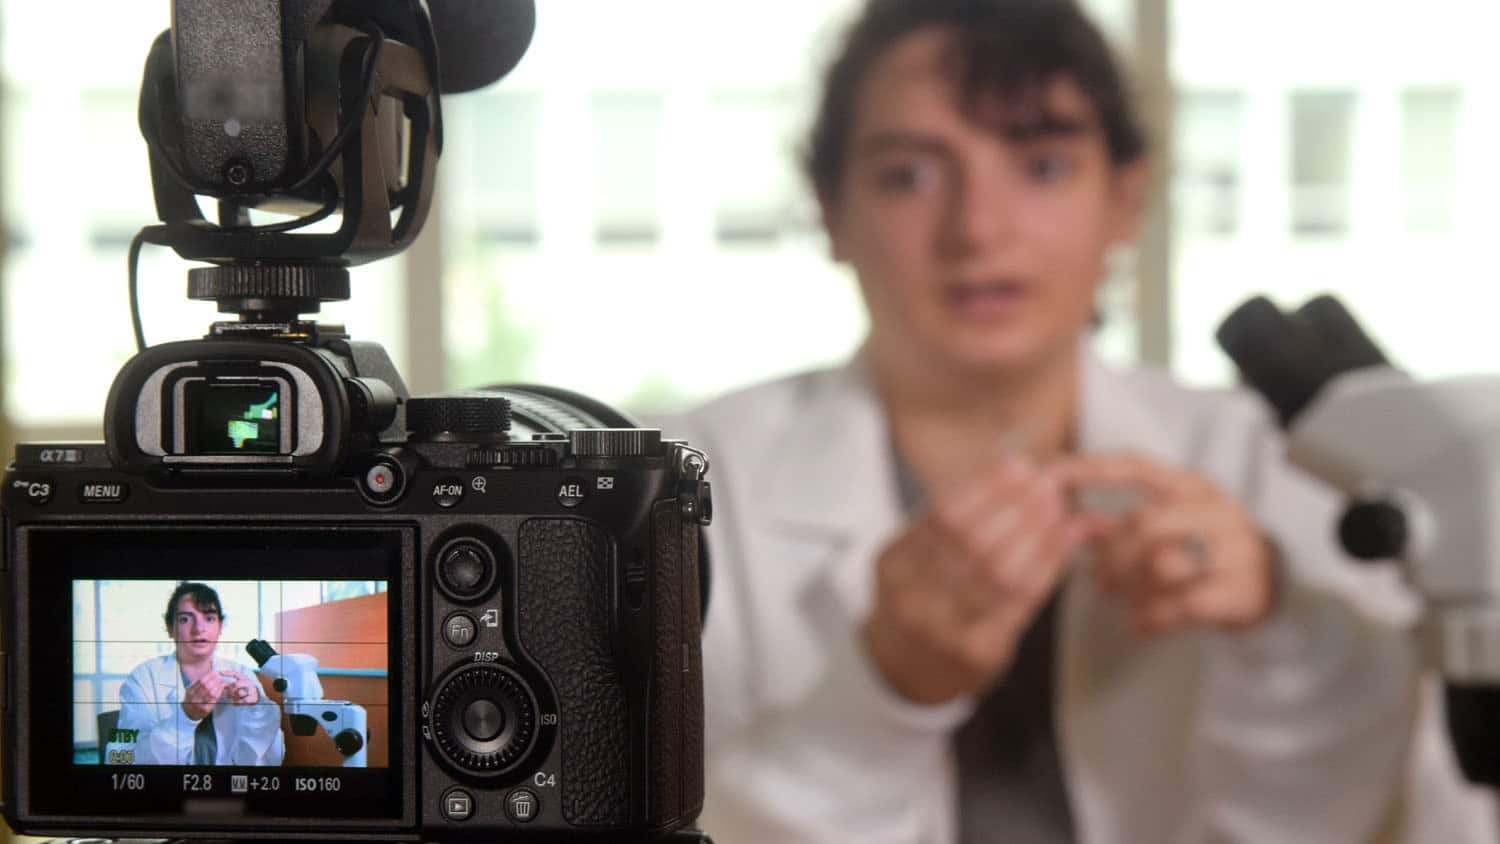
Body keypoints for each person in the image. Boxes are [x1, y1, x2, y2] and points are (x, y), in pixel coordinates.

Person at [675, 0, 1496, 841]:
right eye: (909, 176)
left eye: (1042, 167)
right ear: (833, 211)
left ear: (1126, 199)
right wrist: (884, 690)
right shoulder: (690, 486)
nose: (978, 229)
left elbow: (1377, 818)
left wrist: (1280, 631)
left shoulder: (1275, 464)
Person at [105, 582, 284, 766]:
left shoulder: (241, 674)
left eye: (209, 618)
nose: (199, 629)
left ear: (220, 626)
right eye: (185, 619)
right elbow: (120, 757)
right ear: (170, 627)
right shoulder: (143, 677)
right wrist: (185, 717)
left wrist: (257, 708)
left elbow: (273, 758)